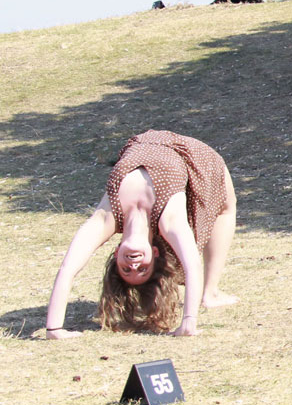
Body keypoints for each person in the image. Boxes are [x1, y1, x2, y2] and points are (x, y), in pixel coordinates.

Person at [45, 130, 238, 339]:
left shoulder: (107, 219)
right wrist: (188, 322)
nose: (134, 264)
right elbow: (192, 266)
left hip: (141, 142)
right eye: (143, 269)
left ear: (117, 253)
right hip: (191, 156)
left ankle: (209, 293)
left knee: (225, 205)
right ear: (155, 252)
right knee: (226, 205)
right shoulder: (168, 220)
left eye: (126, 269)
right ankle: (210, 292)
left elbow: (68, 268)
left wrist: (53, 329)